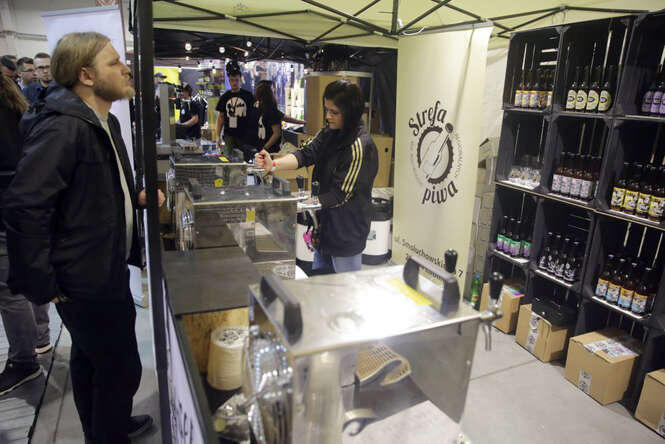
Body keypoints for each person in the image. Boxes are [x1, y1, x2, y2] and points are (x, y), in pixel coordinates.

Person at [3, 32, 164, 443]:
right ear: (87, 75)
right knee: (120, 366)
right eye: (114, 62)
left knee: (92, 360)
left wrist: (135, 196)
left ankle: (105, 428)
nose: (126, 69)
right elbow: (25, 205)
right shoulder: (64, 127)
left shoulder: (103, 121)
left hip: (103, 266)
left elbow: (90, 189)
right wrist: (42, 282)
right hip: (84, 276)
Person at [255, 80, 377, 274]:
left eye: (334, 112)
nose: (328, 116)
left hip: (346, 232)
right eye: (326, 110)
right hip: (324, 227)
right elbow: (306, 153)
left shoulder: (360, 146)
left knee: (346, 287)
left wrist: (301, 203)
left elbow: (340, 195)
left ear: (350, 113)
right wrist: (274, 165)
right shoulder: (330, 131)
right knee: (323, 282)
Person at [0, 72, 52, 397]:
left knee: (8, 291)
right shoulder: (19, 108)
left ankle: (23, 361)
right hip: (27, 209)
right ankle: (41, 338)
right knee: (29, 273)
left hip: (6, 211)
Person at [254, 79, 305, 153]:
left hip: (262, 147)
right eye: (273, 89)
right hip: (270, 150)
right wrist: (264, 149)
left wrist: (302, 122)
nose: (275, 91)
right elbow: (277, 133)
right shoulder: (270, 109)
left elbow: (283, 117)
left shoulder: (260, 106)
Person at [216, 60, 255, 155]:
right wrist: (218, 136)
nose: (234, 83)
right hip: (229, 135)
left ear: (240, 79)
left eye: (236, 80)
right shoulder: (224, 97)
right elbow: (221, 117)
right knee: (229, 159)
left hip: (245, 134)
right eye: (232, 80)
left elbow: (254, 115)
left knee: (244, 158)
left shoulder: (248, 96)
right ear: (229, 81)